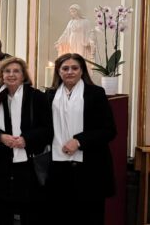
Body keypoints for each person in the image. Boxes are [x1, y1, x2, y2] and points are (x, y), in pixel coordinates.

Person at [45, 53, 116, 225]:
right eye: (65, 68)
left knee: (89, 216)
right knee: (60, 216)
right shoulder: (50, 95)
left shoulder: (96, 93)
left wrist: (78, 141)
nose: (70, 72)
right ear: (58, 71)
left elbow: (109, 130)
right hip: (58, 166)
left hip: (90, 167)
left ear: (82, 70)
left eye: (75, 68)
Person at [0, 57, 53, 225]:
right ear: (1, 75)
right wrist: (0, 137)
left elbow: (48, 128)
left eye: (16, 71)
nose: (11, 75)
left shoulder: (37, 97)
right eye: (7, 71)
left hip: (28, 161)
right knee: (3, 208)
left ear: (23, 75)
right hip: (1, 161)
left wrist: (26, 139)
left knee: (29, 209)